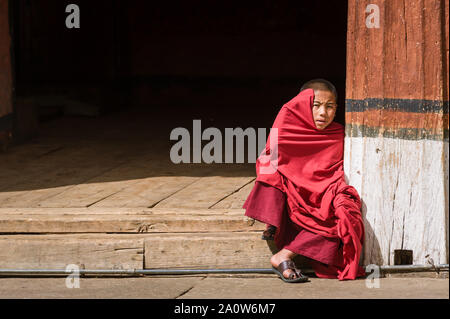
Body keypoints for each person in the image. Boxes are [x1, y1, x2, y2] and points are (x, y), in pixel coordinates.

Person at [243, 79, 365, 283]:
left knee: (343, 218)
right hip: (291, 201)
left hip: (320, 203)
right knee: (268, 166)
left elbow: (333, 176)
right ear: (301, 105)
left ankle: (283, 255)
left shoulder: (338, 135)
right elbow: (267, 160)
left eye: (330, 106)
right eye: (315, 106)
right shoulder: (286, 132)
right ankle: (272, 222)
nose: (323, 113)